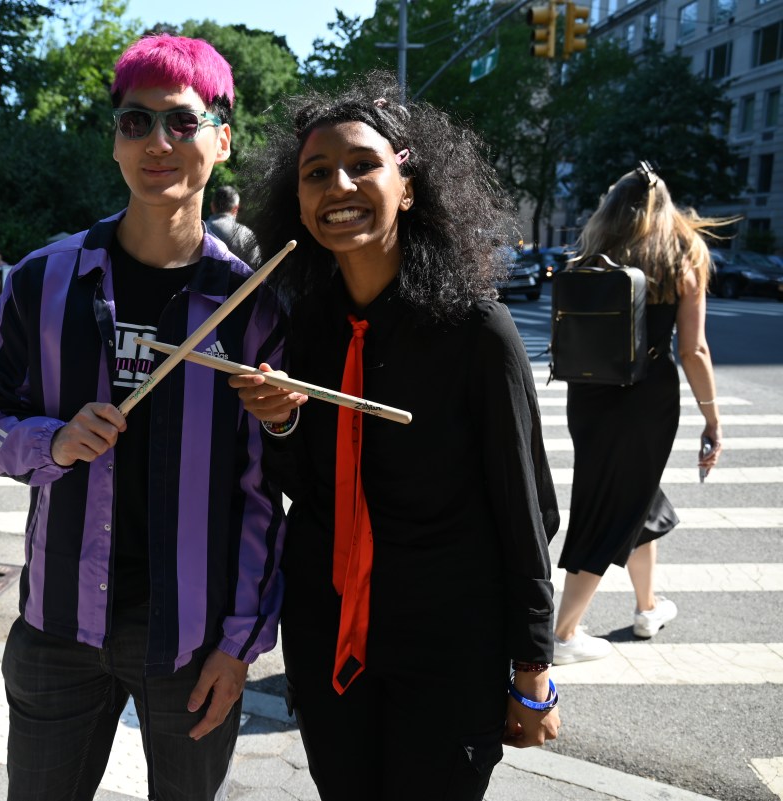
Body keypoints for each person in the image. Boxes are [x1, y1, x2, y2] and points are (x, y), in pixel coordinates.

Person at [0, 34, 286, 801]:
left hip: (193, 643)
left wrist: (240, 645)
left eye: (182, 121)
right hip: (56, 629)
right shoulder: (43, 279)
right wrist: (51, 440)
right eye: (135, 122)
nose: (158, 143)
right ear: (114, 140)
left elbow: (262, 496)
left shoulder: (252, 307)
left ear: (222, 139)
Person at [229, 71, 560, 800]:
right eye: (317, 173)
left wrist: (533, 667)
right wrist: (280, 419)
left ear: (408, 186)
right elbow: (307, 490)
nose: (338, 184)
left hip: (448, 644)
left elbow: (526, 506)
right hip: (326, 638)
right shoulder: (301, 326)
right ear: (298, 202)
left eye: (362, 164)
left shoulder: (477, 331)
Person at [551, 164, 724, 664]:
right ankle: (563, 634)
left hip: (588, 394)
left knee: (635, 494)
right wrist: (712, 420)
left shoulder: (590, 255)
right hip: (646, 396)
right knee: (610, 504)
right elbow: (694, 351)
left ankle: (648, 606)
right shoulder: (681, 256)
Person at [205, 184, 261, 266]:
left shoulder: (201, 230)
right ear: (235, 209)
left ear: (212, 206)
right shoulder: (246, 233)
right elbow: (256, 266)